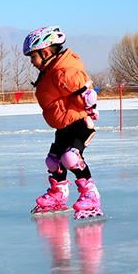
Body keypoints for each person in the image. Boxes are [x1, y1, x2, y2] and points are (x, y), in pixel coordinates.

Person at [23, 26, 103, 219]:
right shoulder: (50, 71)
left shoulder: (64, 70)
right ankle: (59, 193)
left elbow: (85, 89)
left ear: (45, 52)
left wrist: (90, 107)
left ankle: (90, 194)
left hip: (79, 125)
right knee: (53, 161)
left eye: (33, 57)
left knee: (71, 158)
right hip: (63, 127)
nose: (32, 62)